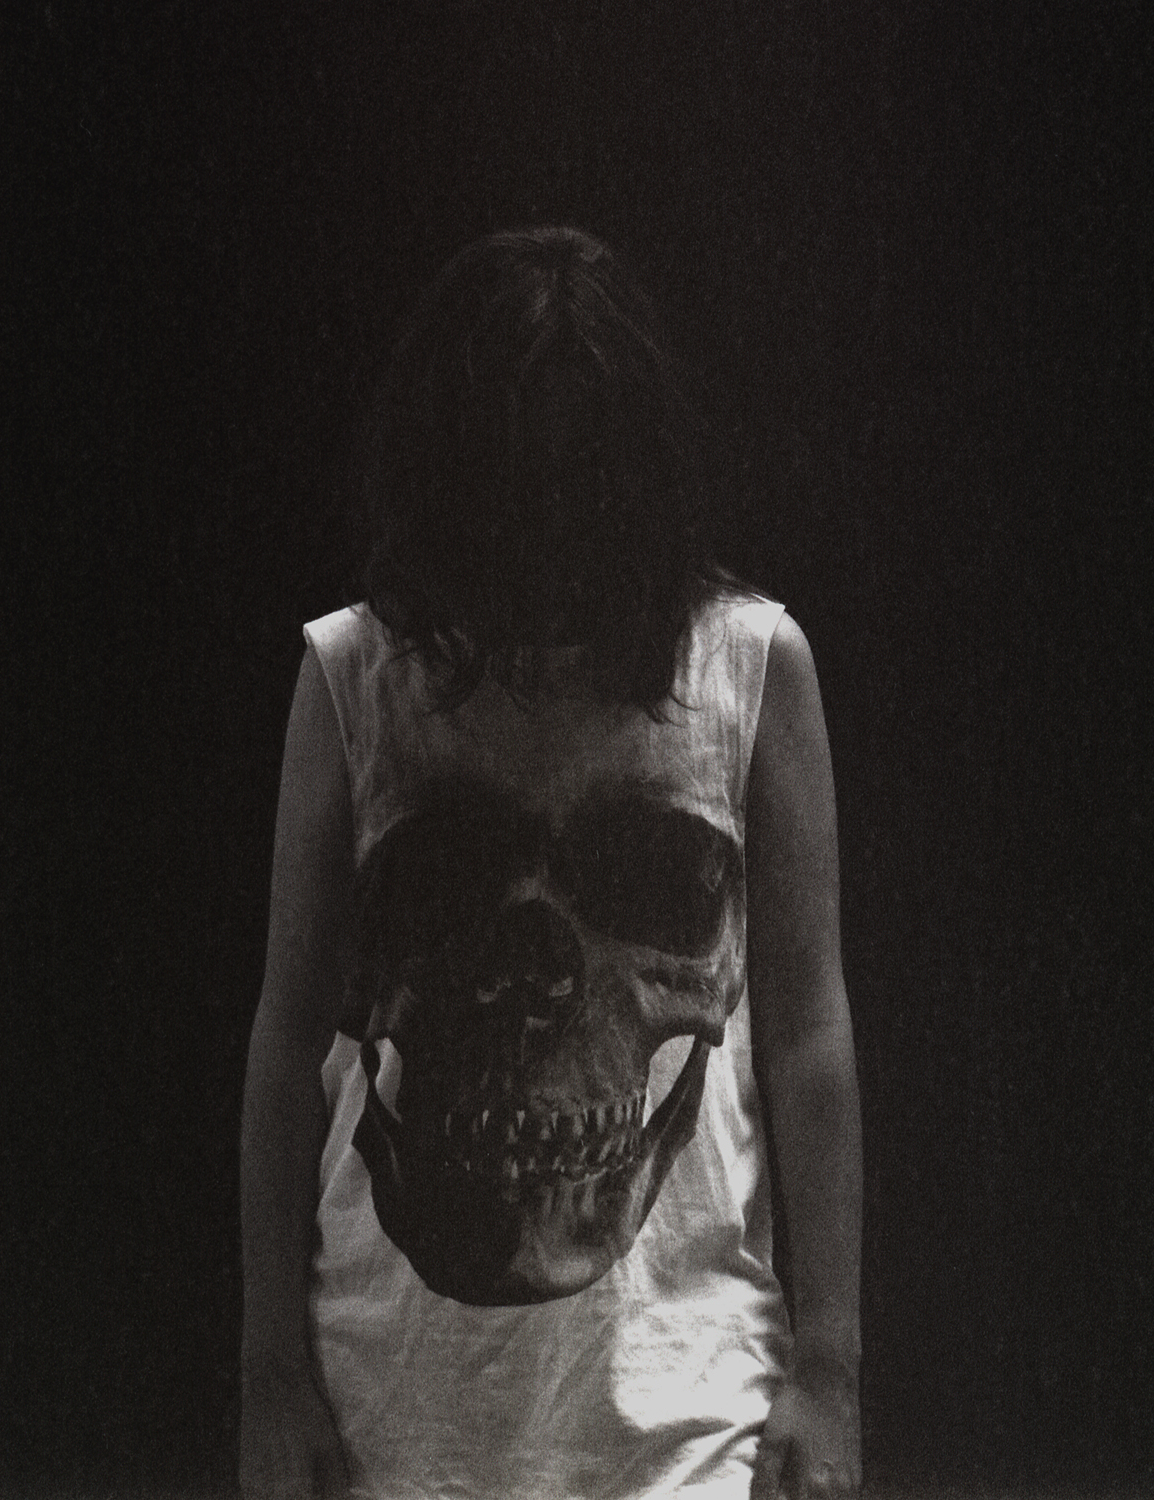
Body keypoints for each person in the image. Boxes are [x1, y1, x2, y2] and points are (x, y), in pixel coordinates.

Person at [240, 226, 862, 1500]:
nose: (543, 527)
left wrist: (830, 1370)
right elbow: (288, 1038)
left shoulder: (748, 667)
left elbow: (807, 1036)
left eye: (572, 478)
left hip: (685, 1412)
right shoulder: (356, 677)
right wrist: (270, 1375)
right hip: (390, 1419)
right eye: (513, 480)